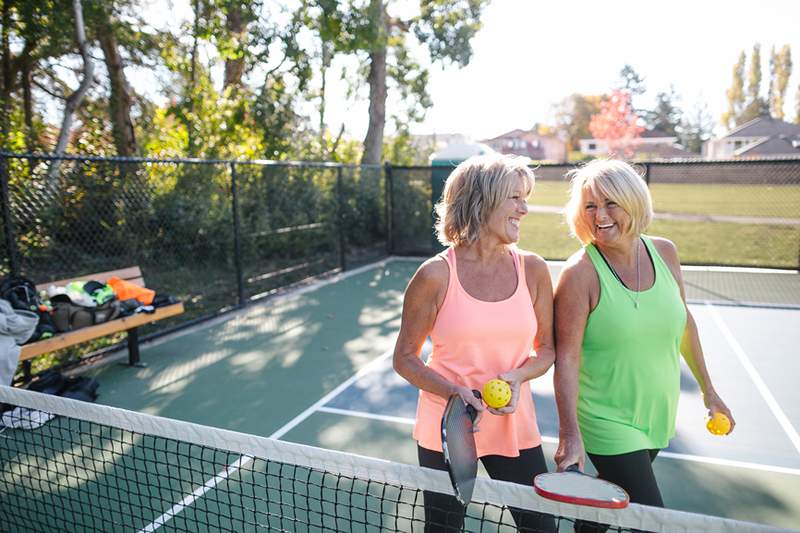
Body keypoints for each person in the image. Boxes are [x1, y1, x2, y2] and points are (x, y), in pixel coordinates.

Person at [553, 159, 735, 515]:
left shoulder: (665, 252)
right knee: (653, 517)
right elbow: (567, 357)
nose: (599, 215)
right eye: (590, 205)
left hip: (657, 412)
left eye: (610, 203)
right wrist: (570, 433)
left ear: (634, 203)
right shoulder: (580, 274)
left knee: (606, 500)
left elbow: (683, 323)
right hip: (607, 419)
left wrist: (708, 390)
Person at [393, 154, 556, 532]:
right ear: (482, 201)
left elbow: (546, 349)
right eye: (515, 198)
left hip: (514, 423)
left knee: (540, 527)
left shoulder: (533, 269)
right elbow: (405, 358)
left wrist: (517, 377)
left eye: (525, 197)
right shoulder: (434, 275)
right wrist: (456, 393)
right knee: (445, 528)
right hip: (449, 424)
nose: (525, 208)